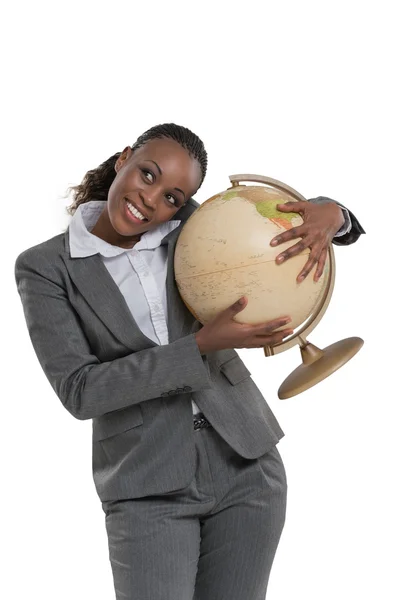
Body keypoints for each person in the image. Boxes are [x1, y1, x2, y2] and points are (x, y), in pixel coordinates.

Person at [14, 123, 365, 600]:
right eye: (147, 175)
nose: (151, 200)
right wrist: (197, 346)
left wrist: (335, 215)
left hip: (246, 465)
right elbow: (80, 390)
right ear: (123, 159)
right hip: (146, 487)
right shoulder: (45, 267)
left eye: (173, 197)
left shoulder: (196, 228)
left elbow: (269, 221)